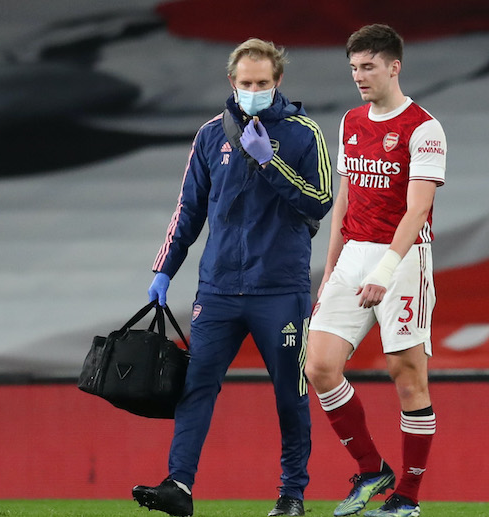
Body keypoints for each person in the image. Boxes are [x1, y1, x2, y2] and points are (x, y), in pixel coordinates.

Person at [132, 38, 333, 517]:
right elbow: (188, 210)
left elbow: (321, 200)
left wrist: (269, 161)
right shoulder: (209, 135)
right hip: (218, 288)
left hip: (279, 289)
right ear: (232, 82)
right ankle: (179, 485)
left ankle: (292, 495)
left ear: (278, 81)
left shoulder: (304, 133)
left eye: (262, 83)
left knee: (290, 395)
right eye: (246, 83)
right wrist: (164, 269)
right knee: (195, 386)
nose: (254, 91)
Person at [304, 24, 447, 517]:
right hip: (352, 256)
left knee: (406, 376)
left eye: (368, 66)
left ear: (394, 66)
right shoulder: (350, 121)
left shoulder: (424, 128)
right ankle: (371, 469)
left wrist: (384, 271)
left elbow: (417, 209)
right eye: (354, 68)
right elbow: (344, 198)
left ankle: (408, 495)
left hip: (403, 260)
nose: (359, 76)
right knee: (319, 366)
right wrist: (330, 268)